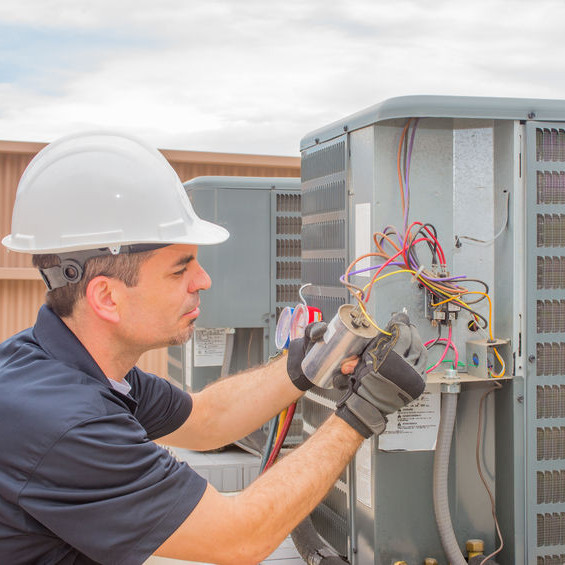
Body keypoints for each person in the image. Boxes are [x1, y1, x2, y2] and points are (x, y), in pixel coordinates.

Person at [0, 132, 427, 565]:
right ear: (107, 297)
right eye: (179, 269)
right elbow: (238, 537)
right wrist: (362, 412)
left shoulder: (70, 365)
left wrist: (305, 363)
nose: (203, 280)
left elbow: (205, 418)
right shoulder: (65, 423)